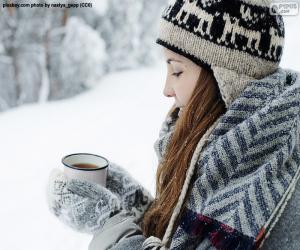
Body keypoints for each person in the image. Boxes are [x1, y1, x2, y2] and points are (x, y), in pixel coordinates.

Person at [46, 0, 300, 249]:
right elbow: (190, 235)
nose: (167, 89)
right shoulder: (238, 152)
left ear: (227, 77)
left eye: (177, 71)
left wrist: (109, 227)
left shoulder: (264, 190)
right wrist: (135, 202)